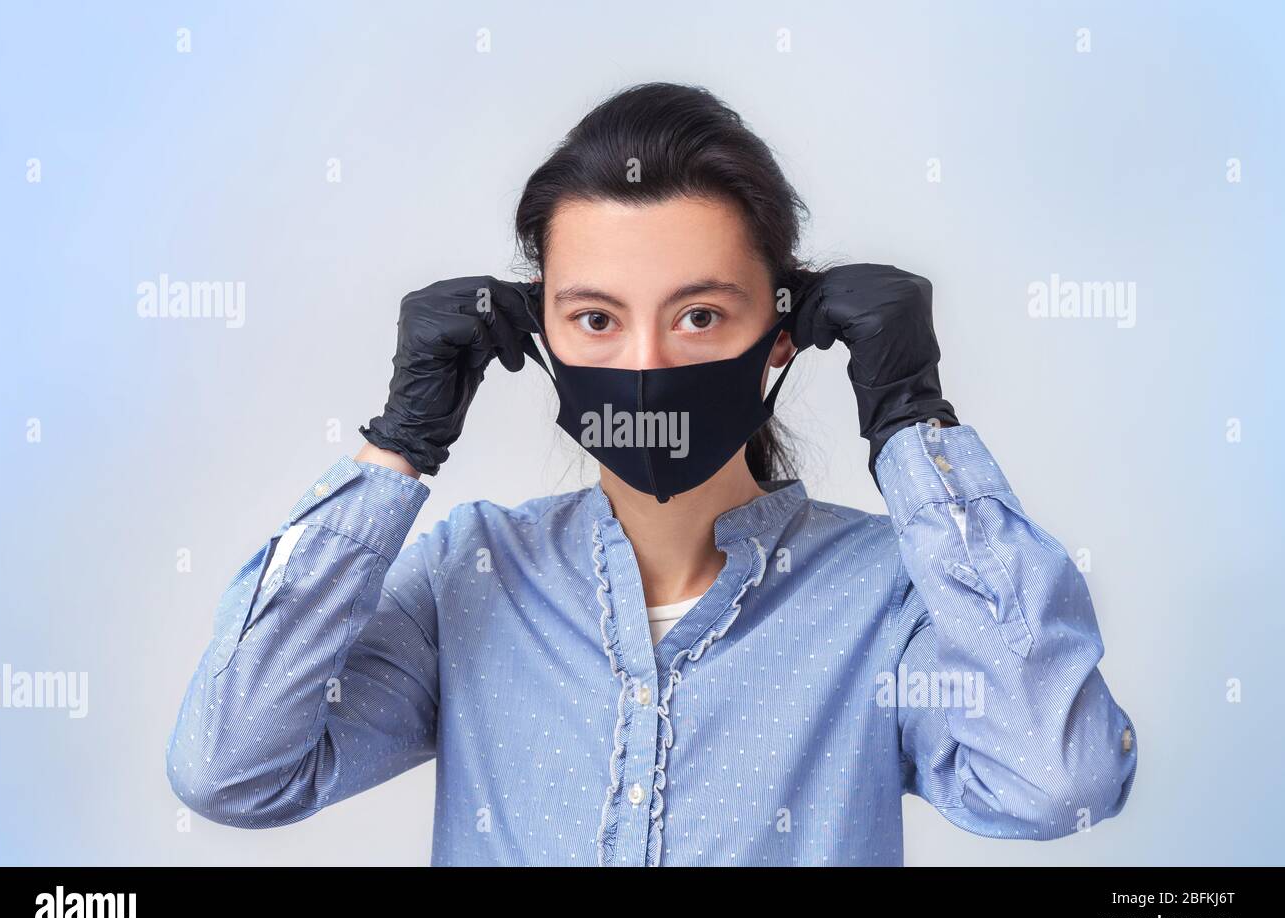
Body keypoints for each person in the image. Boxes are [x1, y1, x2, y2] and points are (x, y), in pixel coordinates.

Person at [165, 82, 1138, 866]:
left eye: (700, 314)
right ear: (537, 332)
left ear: (780, 333)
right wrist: (398, 442)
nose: (648, 365)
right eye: (595, 317)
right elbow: (232, 766)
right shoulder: (469, 576)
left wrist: (912, 419)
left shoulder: (890, 597)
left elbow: (1062, 780)